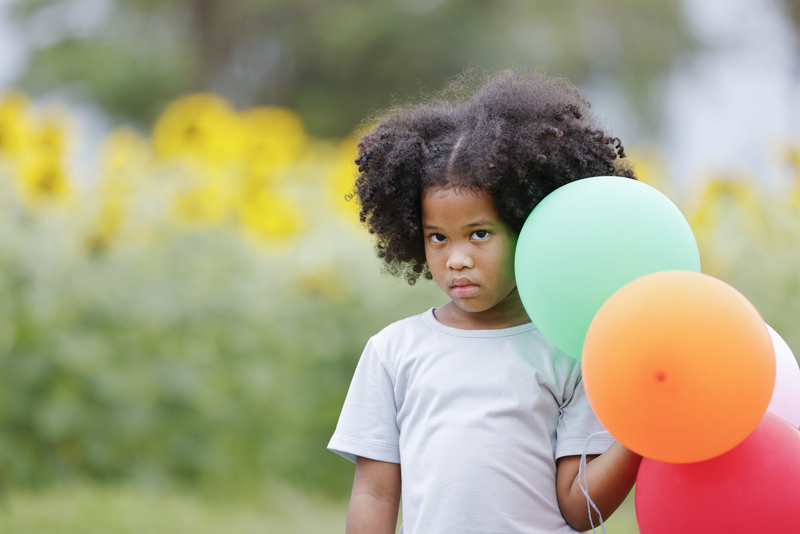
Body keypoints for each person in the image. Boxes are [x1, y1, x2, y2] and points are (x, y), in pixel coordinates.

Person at [328, 68, 643, 534]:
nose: (456, 259)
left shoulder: (571, 352)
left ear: (528, 225)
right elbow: (375, 492)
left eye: (479, 234)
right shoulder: (393, 352)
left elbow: (579, 509)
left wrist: (640, 434)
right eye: (437, 237)